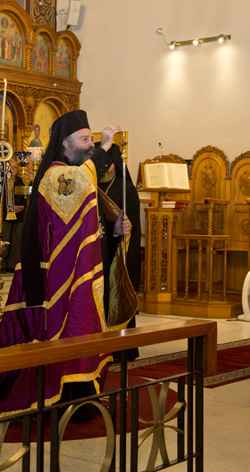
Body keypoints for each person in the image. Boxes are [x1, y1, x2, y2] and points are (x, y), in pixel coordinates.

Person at [0, 109, 135, 418]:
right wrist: (104, 148)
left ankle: (82, 397)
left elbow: (85, 223)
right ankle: (58, 398)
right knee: (69, 332)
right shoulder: (56, 176)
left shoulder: (79, 177)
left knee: (82, 329)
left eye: (91, 139)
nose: (89, 144)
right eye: (84, 139)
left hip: (78, 275)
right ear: (65, 145)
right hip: (56, 282)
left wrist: (112, 231)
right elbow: (80, 185)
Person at [97, 142, 141, 361]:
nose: (104, 169)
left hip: (116, 254)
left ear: (115, 165)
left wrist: (120, 231)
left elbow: (131, 227)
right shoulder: (89, 185)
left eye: (108, 165)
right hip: (95, 253)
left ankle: (121, 349)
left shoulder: (125, 188)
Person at [1, 158, 26, 271]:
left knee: (16, 241)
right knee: (5, 240)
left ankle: (12, 264)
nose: (13, 170)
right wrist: (10, 208)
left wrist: (23, 206)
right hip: (6, 216)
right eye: (10, 168)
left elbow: (25, 197)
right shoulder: (2, 182)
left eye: (15, 167)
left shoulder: (21, 182)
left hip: (19, 216)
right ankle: (1, 264)